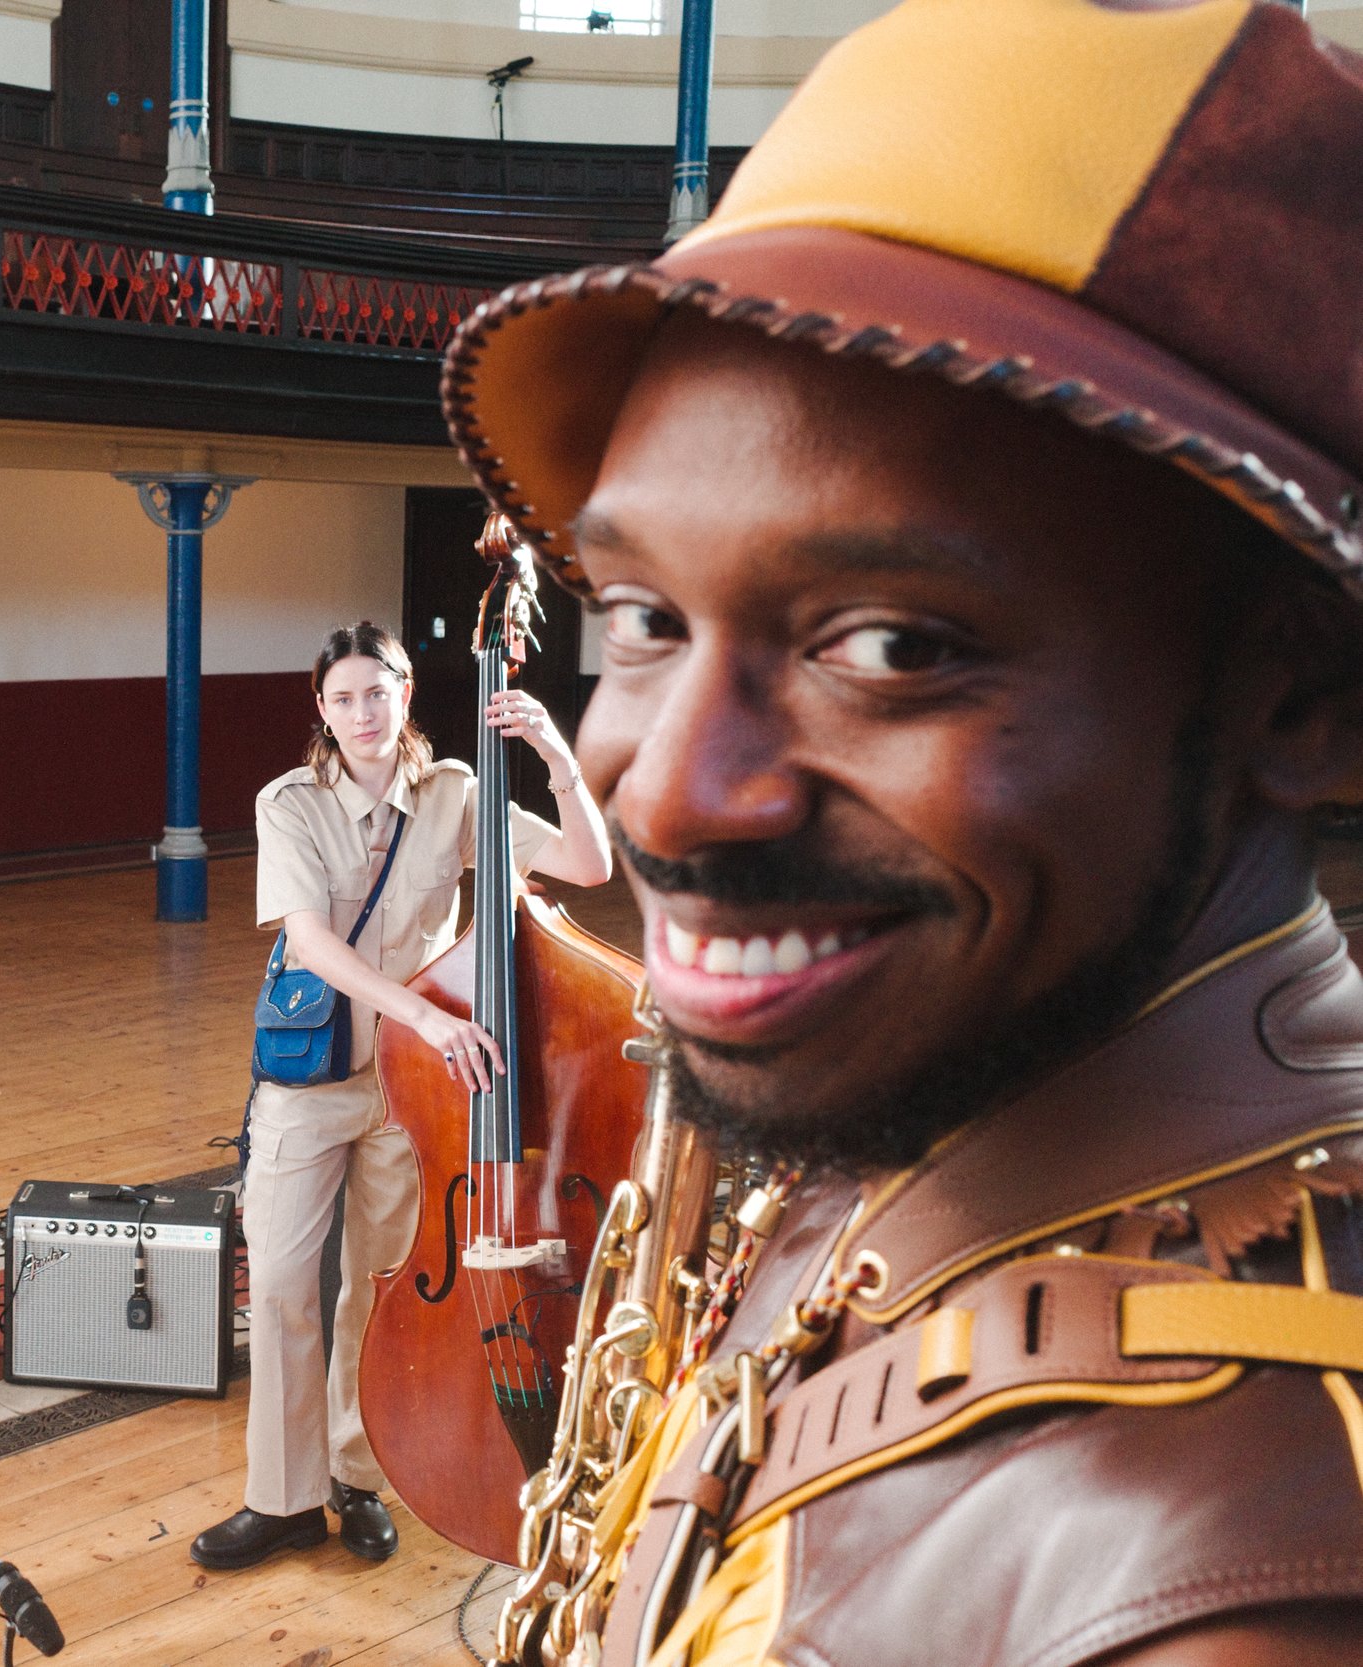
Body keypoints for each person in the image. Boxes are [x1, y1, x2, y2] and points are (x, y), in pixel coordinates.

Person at [438, 0, 1363, 1660]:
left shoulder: (1230, 1595)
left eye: (892, 646)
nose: (660, 792)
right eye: (640, 615)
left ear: (1307, 704)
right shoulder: (937, 1055)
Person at [191, 620, 610, 1570]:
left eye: (377, 692)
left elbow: (590, 866)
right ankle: (283, 1499)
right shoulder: (289, 802)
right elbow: (311, 944)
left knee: (376, 1291)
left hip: (415, 1093)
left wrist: (551, 750)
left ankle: (354, 1477)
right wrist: (421, 1015)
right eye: (342, 698)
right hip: (313, 1079)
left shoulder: (460, 792)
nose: (362, 713)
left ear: (409, 693)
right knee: (290, 1286)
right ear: (322, 709)